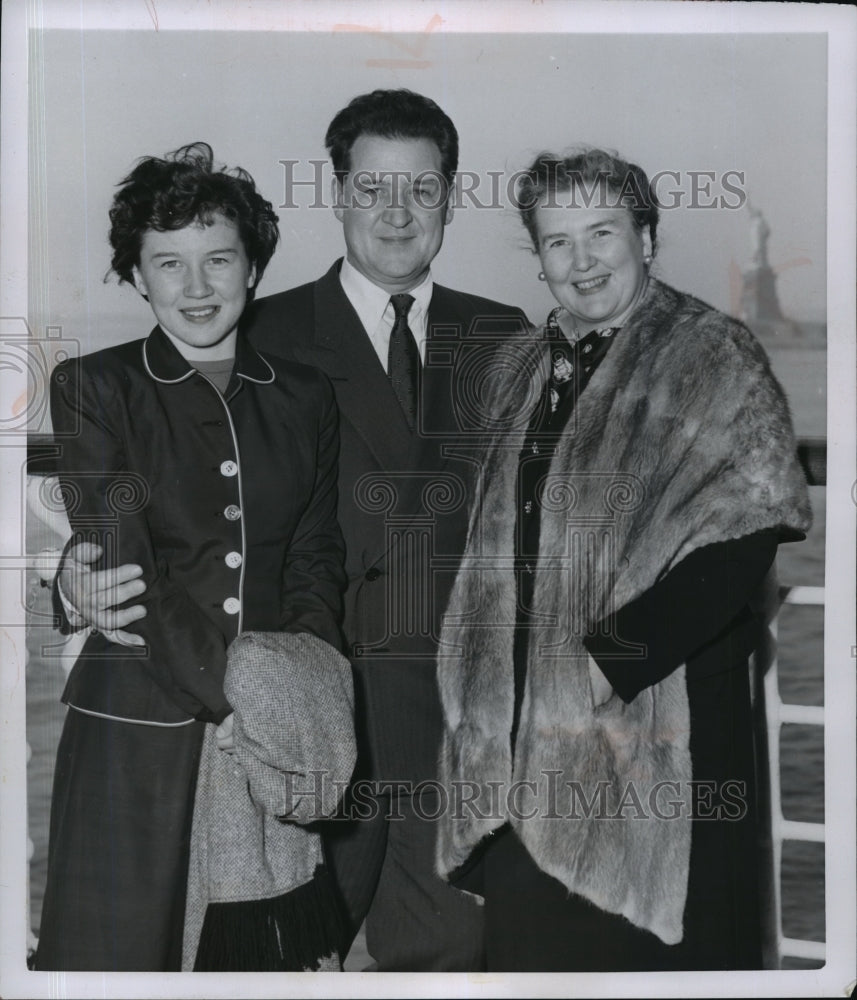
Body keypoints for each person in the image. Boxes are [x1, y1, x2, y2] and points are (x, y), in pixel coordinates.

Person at [51, 91, 529, 971]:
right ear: (337, 193)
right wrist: (66, 584)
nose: (396, 212)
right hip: (297, 707)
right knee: (268, 948)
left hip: (438, 711)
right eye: (373, 185)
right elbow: (156, 509)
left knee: (451, 948)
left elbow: (532, 533)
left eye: (421, 189)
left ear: (451, 198)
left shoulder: (504, 338)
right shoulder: (261, 330)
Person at [434, 148, 812, 971]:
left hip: (653, 724)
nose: (581, 260)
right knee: (535, 958)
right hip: (521, 729)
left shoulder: (709, 353)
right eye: (557, 241)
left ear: (645, 234)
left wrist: (611, 662)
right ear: (537, 257)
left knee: (644, 958)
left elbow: (750, 533)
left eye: (601, 232)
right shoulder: (524, 365)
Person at [36, 143, 347, 971]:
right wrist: (238, 702)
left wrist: (299, 693)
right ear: (137, 278)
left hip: (274, 728)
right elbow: (127, 573)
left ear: (253, 269)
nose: (197, 287)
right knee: (121, 960)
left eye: (219, 260)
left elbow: (316, 558)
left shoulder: (306, 395)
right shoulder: (93, 388)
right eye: (169, 264)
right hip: (137, 729)